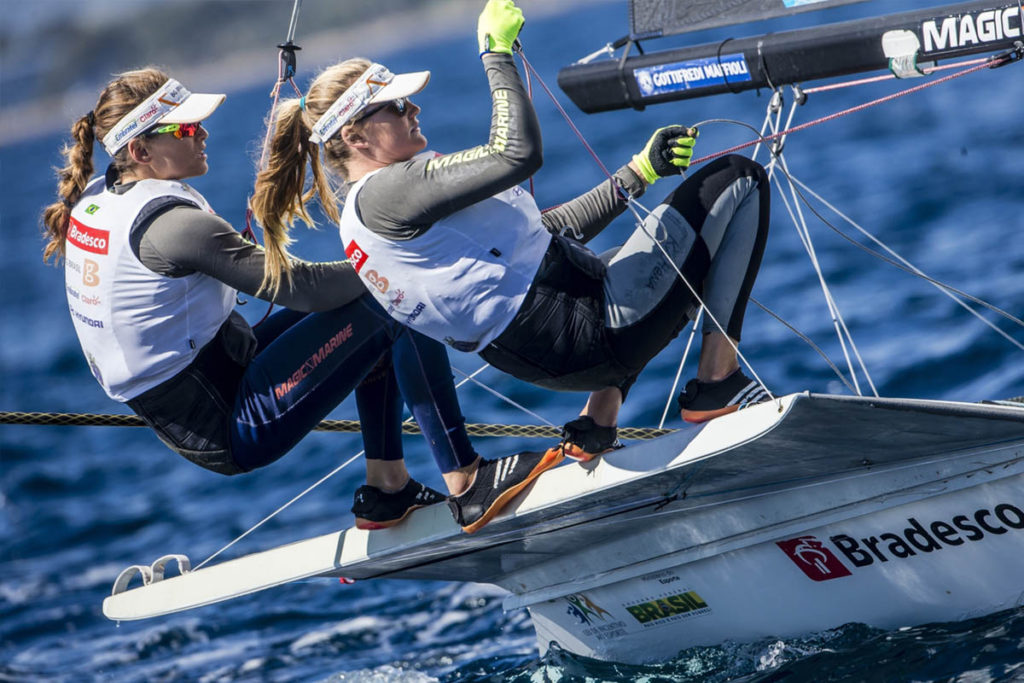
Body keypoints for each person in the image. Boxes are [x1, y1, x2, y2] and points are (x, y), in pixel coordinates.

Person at [252, 0, 772, 530]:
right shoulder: (391, 191)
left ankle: (598, 421)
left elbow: (544, 237)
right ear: (354, 137)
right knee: (738, 177)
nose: (415, 111)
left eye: (409, 103)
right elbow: (516, 153)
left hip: (554, 350)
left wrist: (638, 173)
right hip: (588, 332)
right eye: (397, 107)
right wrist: (495, 53)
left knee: (645, 253)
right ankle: (716, 385)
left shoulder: (368, 215)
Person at [40, 67, 498, 533]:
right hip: (226, 422)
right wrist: (400, 259)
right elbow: (303, 287)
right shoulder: (172, 228)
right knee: (393, 299)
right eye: (185, 127)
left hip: (215, 377)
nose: (203, 133)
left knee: (375, 303)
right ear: (139, 150)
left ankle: (389, 491)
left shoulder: (101, 194)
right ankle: (469, 482)